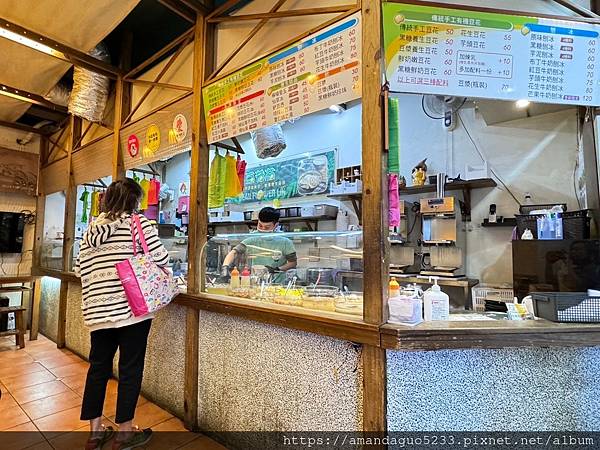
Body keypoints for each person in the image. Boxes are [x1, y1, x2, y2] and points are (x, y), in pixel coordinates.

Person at [75, 178, 170, 450]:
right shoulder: (140, 225)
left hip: (98, 313)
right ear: (135, 201)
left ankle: (94, 433)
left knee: (98, 369)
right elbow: (162, 260)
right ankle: (125, 433)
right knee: (130, 368)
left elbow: (81, 270)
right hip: (133, 309)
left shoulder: (91, 230)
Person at [221, 207, 297, 283]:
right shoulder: (252, 238)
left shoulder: (285, 241)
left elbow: (293, 263)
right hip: (255, 282)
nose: (263, 229)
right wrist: (225, 267)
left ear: (276, 225)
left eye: (267, 227)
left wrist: (276, 269)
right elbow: (234, 252)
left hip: (277, 284)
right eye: (260, 226)